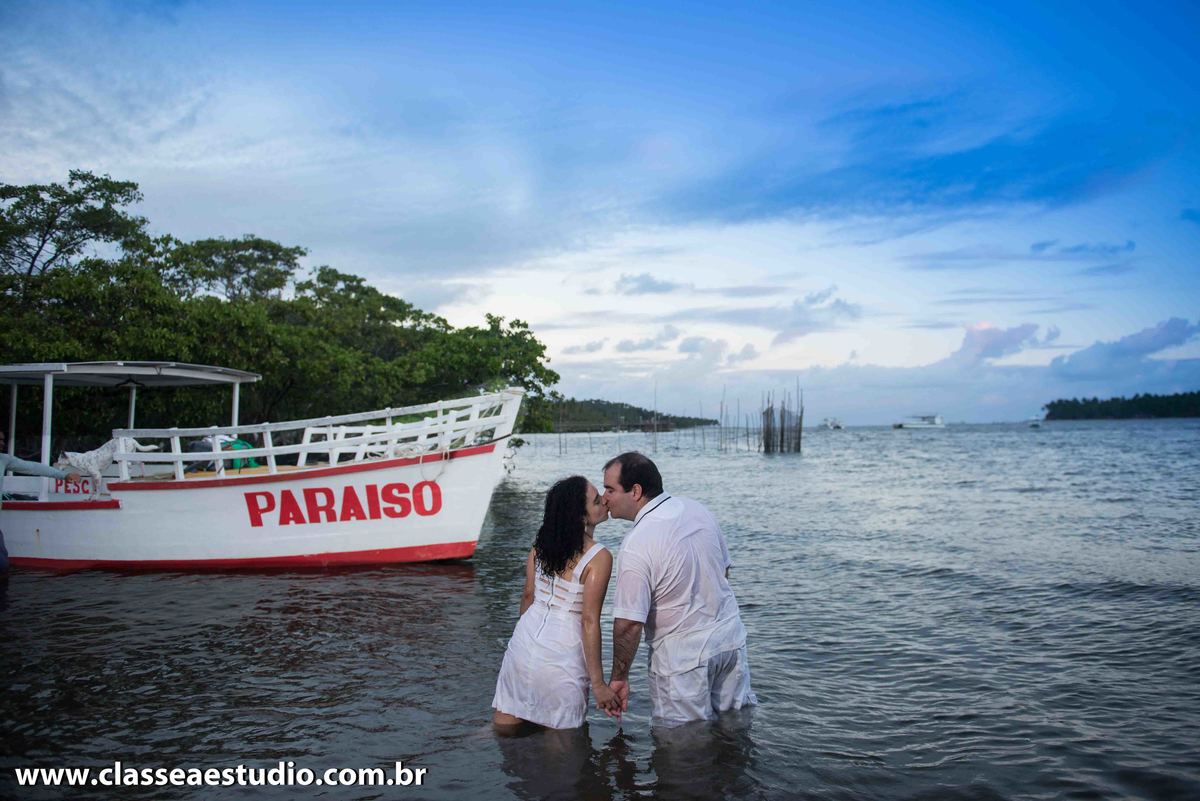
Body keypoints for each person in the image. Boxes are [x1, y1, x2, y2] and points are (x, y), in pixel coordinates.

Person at [602, 452, 756, 727]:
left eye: (610, 489)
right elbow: (724, 573)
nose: (604, 498)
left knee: (683, 749)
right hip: (729, 640)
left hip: (682, 660)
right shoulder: (698, 510)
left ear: (635, 491)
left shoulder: (637, 543)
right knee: (735, 735)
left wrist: (619, 677)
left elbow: (628, 624)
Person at [492, 475, 620, 729]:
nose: (604, 501)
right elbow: (589, 621)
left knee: (505, 728)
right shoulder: (599, 557)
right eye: (597, 501)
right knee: (564, 753)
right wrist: (599, 685)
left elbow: (528, 596)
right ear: (582, 518)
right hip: (563, 656)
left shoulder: (540, 546)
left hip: (523, 644)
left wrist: (525, 643)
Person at [0, 430, 81, 570]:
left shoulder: (3, 459)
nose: (2, 443)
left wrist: (63, 475)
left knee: (2, 565)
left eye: (2, 439)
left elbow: (32, 467)